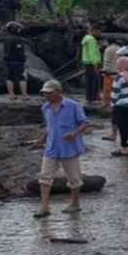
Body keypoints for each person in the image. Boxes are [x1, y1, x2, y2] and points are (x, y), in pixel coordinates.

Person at [35, 80, 89, 218]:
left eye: (49, 93)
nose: (46, 96)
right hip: (51, 147)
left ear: (58, 92)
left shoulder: (73, 105)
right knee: (44, 177)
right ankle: (44, 206)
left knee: (74, 178)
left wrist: (74, 133)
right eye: (44, 93)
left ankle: (75, 203)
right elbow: (49, 127)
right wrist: (42, 139)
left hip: (69, 148)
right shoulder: (45, 107)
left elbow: (85, 123)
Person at [111, 56, 128, 157]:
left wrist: (113, 105)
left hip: (122, 106)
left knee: (124, 128)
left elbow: (115, 93)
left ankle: (125, 148)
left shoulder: (119, 77)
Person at [3, 21, 29, 99]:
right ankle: (24, 95)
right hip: (18, 62)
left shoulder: (6, 39)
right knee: (22, 77)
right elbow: (19, 50)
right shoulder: (17, 39)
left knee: (9, 77)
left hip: (8, 61)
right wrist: (23, 58)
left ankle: (11, 94)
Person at [81, 25, 102, 104]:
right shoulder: (91, 40)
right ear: (94, 31)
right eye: (99, 32)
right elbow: (92, 52)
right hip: (92, 62)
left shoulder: (87, 38)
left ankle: (90, 97)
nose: (100, 34)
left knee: (90, 80)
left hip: (87, 62)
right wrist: (95, 64)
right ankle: (92, 98)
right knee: (94, 80)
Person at [102, 40, 121, 111]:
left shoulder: (108, 49)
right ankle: (113, 104)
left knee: (107, 90)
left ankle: (106, 104)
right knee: (115, 90)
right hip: (117, 73)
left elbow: (107, 61)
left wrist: (105, 71)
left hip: (109, 73)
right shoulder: (120, 49)